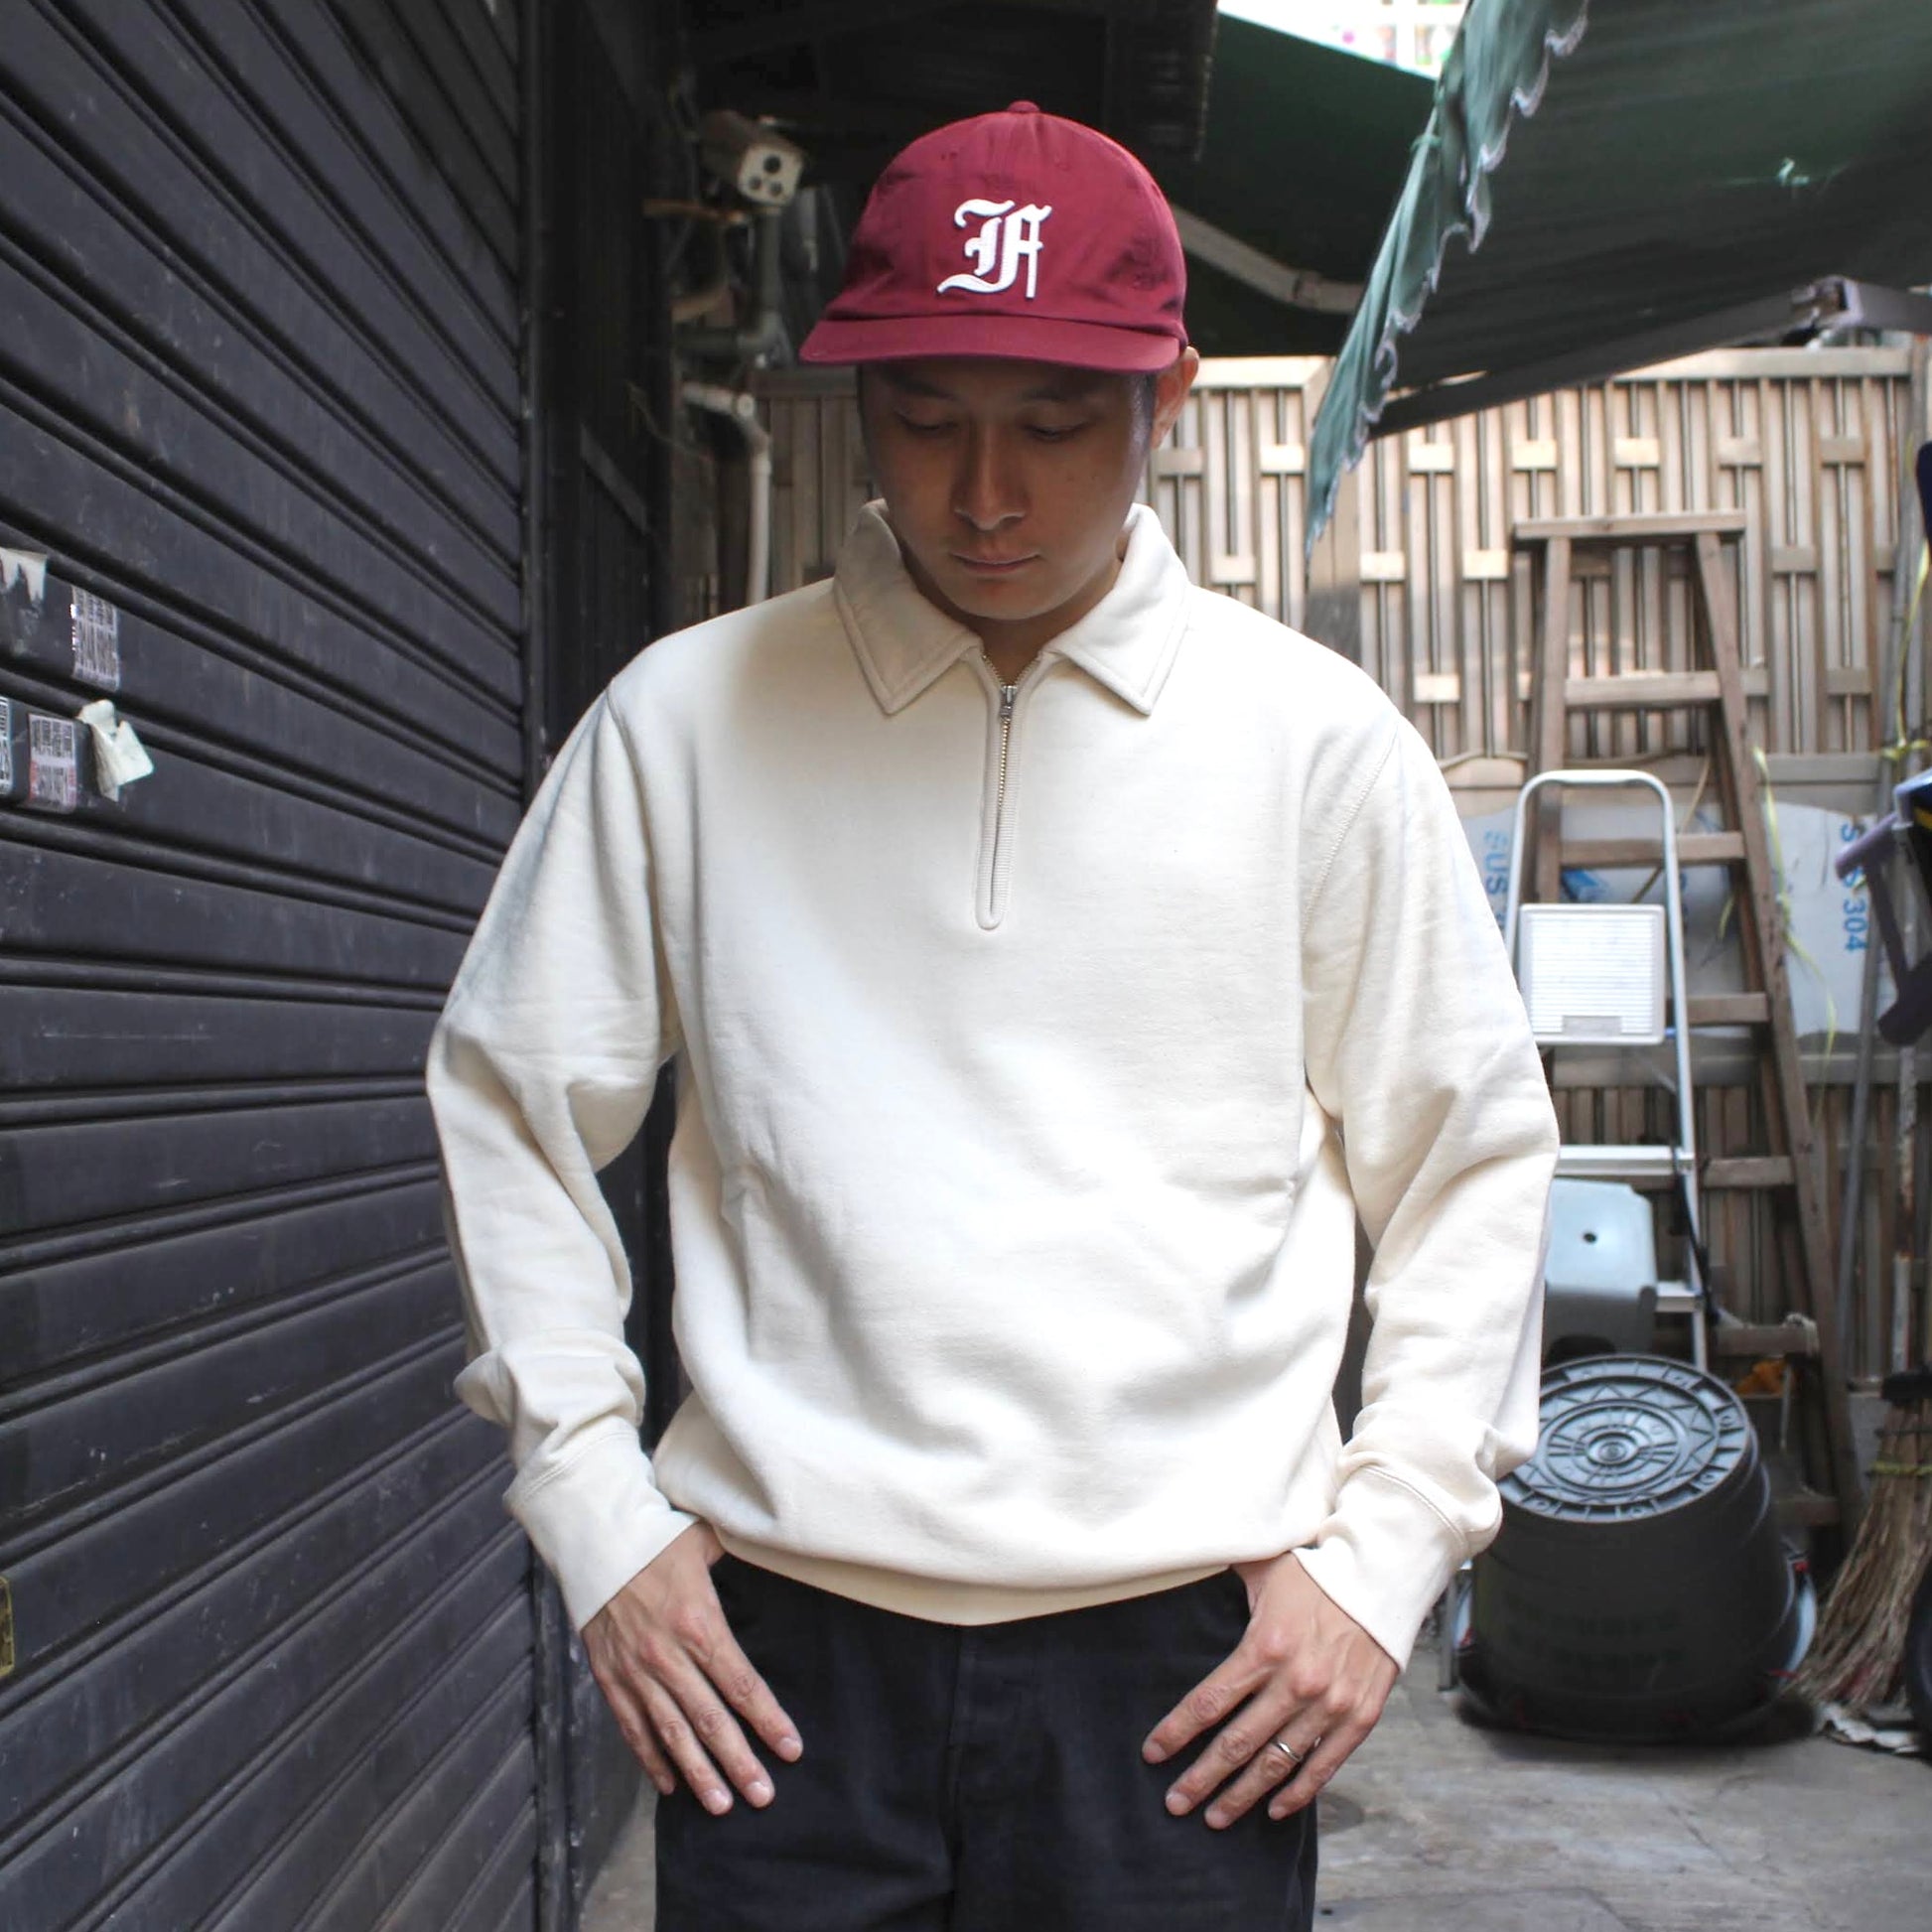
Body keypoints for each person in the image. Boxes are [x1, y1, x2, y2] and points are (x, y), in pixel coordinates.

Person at [426, 100, 1558, 1931]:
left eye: (1052, 421)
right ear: (857, 400)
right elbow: (508, 1102)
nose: (983, 493)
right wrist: (597, 1517)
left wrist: (1381, 1560)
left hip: (1184, 1675)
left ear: (1166, 396)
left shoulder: (1311, 747)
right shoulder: (684, 722)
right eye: (924, 416)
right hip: (778, 1662)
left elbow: (1472, 1156)